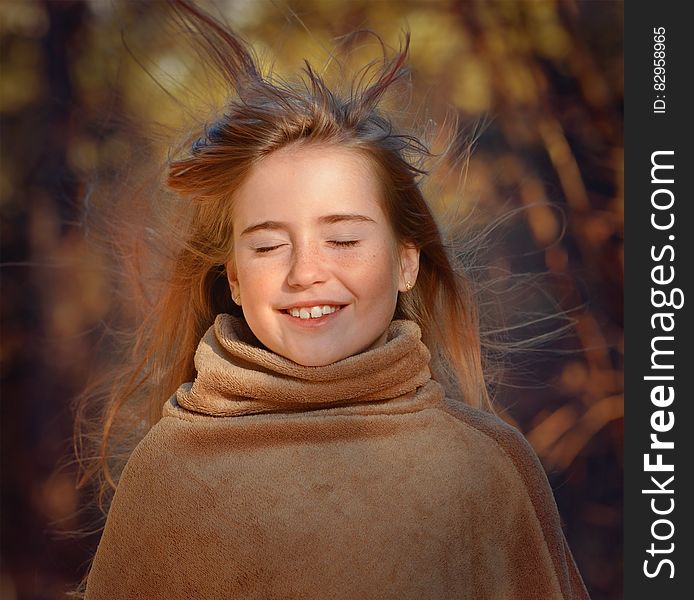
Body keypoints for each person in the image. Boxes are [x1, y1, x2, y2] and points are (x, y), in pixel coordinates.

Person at [79, 1, 590, 598]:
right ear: (235, 280)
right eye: (269, 246)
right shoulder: (168, 473)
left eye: (344, 239)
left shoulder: (481, 467)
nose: (306, 273)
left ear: (406, 261)